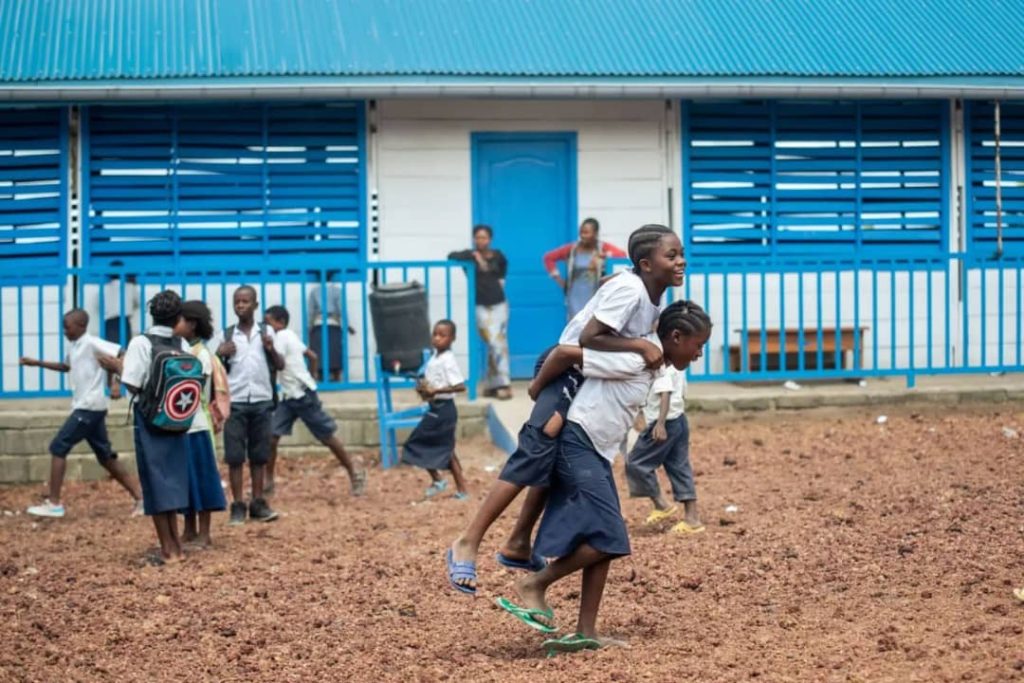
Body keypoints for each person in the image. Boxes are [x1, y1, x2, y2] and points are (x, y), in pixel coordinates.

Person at [447, 224, 685, 594]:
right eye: (671, 255)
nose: (681, 260)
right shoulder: (631, 290)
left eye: (680, 253)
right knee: (537, 447)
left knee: (551, 455)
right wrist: (639, 345)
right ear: (646, 263)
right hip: (566, 365)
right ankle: (468, 541)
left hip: (582, 369)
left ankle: (519, 543)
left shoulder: (647, 295)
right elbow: (589, 338)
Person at [497, 300, 712, 655]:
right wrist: (537, 389)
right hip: (576, 444)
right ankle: (534, 584)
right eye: (698, 345)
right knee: (611, 536)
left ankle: (587, 630)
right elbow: (567, 353)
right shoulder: (638, 357)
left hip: (595, 450)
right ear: (675, 337)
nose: (700, 353)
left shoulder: (655, 363)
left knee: (604, 540)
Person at [19, 309, 143, 519]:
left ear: (81, 326)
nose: (64, 331)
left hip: (89, 407)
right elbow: (65, 366)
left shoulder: (91, 342)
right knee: (105, 457)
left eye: (67, 326)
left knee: (59, 447)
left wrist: (116, 382)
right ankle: (141, 498)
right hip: (88, 407)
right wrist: (36, 363)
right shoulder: (75, 346)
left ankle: (55, 503)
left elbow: (121, 353)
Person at [116, 290, 193, 564]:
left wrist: (117, 367)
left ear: (151, 313)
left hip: (149, 420)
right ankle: (178, 547)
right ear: (177, 318)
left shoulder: (141, 342)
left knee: (154, 481)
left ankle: (168, 550)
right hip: (177, 419)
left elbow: (132, 383)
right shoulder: (181, 343)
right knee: (171, 480)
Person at [264, 305, 367, 497]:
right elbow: (312, 356)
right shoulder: (291, 335)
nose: (266, 327)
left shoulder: (282, 337)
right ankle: (267, 482)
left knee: (326, 436)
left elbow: (278, 363)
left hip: (302, 397)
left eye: (268, 323)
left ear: (280, 323)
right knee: (271, 436)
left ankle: (355, 472)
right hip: (291, 395)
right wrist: (311, 377)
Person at [211, 285, 284, 525]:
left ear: (255, 305)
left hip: (262, 400)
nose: (240, 306)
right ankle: (238, 504)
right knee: (234, 456)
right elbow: (213, 366)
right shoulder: (226, 335)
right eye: (237, 302)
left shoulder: (267, 333)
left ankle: (258, 503)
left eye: (245, 301)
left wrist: (270, 350)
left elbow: (281, 364)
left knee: (259, 454)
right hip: (236, 402)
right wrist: (220, 353)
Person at [626, 362, 704, 533]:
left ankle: (662, 504)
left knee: (635, 463)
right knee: (679, 466)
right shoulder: (676, 363)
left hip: (664, 423)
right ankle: (692, 518)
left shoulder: (661, 363)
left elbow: (665, 393)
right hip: (678, 419)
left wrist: (660, 424)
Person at [175, 301, 228, 549]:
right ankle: (188, 529)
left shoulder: (202, 355)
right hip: (184, 426)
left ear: (193, 324)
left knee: (203, 476)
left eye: (181, 321)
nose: (176, 325)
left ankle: (204, 533)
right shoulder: (184, 350)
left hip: (197, 424)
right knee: (186, 477)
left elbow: (193, 388)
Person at [402, 320, 470, 500]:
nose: (437, 339)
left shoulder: (448, 360)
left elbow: (460, 386)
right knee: (442, 448)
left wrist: (436, 391)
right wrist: (424, 390)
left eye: (443, 335)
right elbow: (432, 384)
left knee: (421, 444)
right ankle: (446, 483)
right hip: (435, 408)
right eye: (435, 334)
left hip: (445, 411)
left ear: (452, 339)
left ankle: (450, 485)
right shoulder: (434, 358)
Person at [448, 225, 512, 400]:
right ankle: (494, 384)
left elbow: (501, 273)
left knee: (499, 344)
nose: (480, 240)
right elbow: (451, 256)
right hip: (480, 305)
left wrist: (483, 262)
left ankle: (502, 384)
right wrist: (472, 256)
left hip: (499, 304)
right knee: (493, 343)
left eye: (484, 237)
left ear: (490, 239)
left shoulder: (497, 256)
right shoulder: (470, 256)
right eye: (477, 237)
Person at [543, 218, 627, 320]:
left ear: (595, 234)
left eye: (586, 233)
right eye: (581, 232)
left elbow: (621, 254)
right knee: (576, 324)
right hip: (575, 295)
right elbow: (549, 257)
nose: (582, 235)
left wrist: (604, 255)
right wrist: (558, 279)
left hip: (595, 294)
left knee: (593, 324)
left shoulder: (602, 248)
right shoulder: (572, 249)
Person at [307, 271, 353, 383]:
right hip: (333, 323)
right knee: (334, 350)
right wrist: (347, 325)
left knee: (319, 350)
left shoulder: (314, 291)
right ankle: (336, 375)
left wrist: (309, 327)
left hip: (318, 324)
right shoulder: (337, 290)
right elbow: (342, 309)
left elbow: (310, 312)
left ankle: (320, 375)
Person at [102, 262, 140, 346]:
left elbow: (99, 305)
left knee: (110, 350)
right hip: (124, 321)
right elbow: (137, 302)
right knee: (124, 350)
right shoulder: (130, 286)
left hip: (109, 322)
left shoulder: (104, 288)